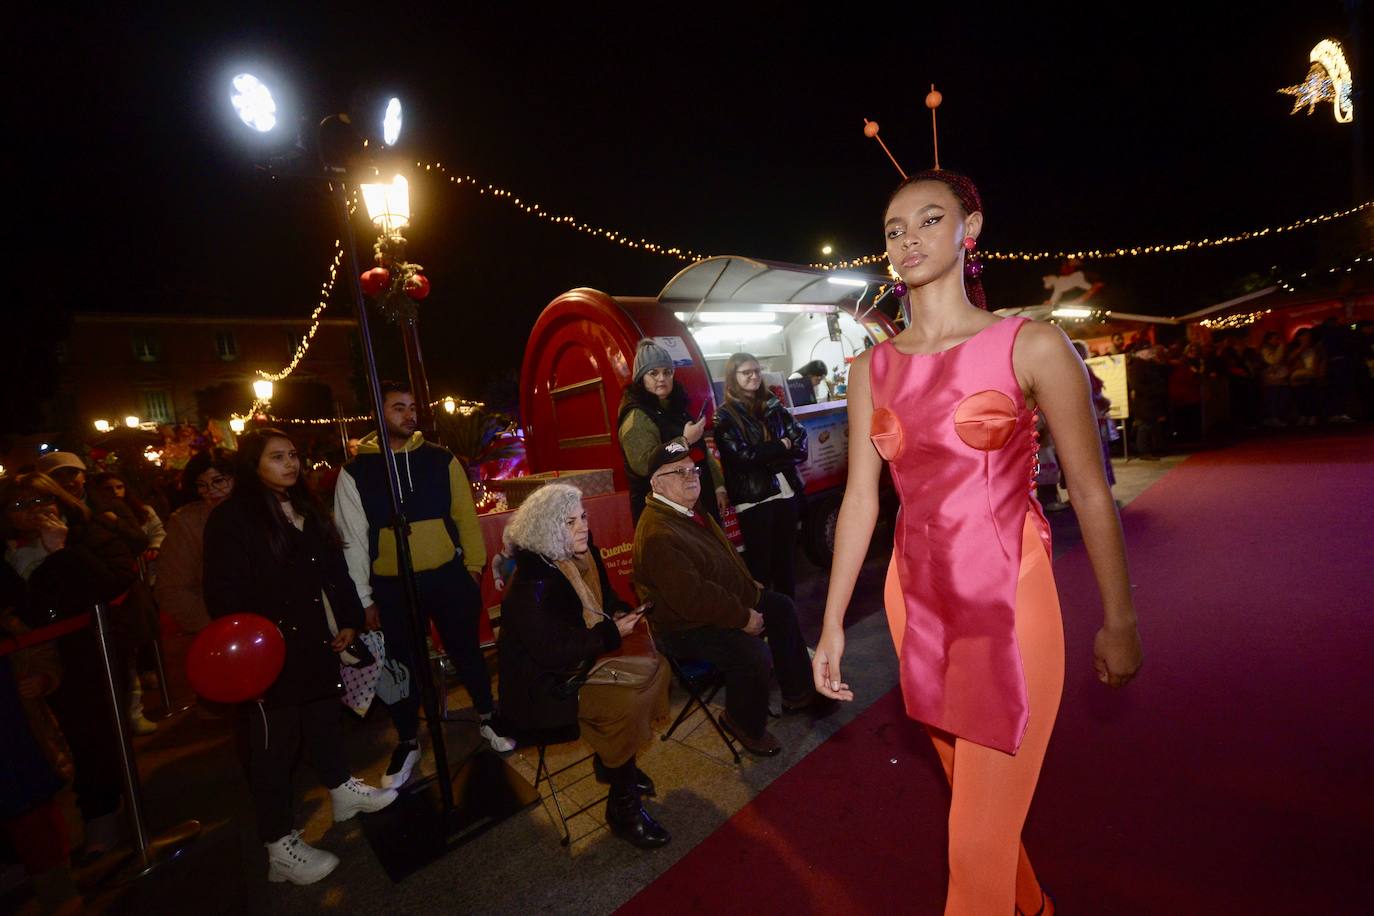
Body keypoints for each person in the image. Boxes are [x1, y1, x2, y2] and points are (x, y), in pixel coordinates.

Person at [813, 170, 1142, 916]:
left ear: (972, 228)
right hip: (915, 607)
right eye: (895, 229)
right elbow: (862, 500)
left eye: (930, 220)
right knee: (974, 799)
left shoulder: (1033, 346)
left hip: (1009, 602)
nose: (910, 239)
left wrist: (1120, 620)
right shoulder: (870, 368)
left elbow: (1090, 491)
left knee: (973, 846)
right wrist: (831, 623)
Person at [203, 430, 396, 886]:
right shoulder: (233, 519)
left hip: (317, 642)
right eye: (277, 457)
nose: (290, 463)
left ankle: (342, 790)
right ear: (252, 465)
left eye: (292, 455)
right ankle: (278, 846)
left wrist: (348, 620)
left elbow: (334, 571)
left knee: (325, 721)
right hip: (269, 653)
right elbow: (224, 594)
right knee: (275, 748)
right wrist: (259, 645)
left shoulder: (306, 507)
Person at [334, 380, 513, 792]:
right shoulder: (355, 471)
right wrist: (364, 598)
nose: (409, 414)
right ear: (378, 414)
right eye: (398, 407)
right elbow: (352, 539)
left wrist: (472, 568)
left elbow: (465, 517)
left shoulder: (439, 458)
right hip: (392, 584)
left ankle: (488, 716)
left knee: (467, 650)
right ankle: (408, 740)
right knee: (401, 664)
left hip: (447, 575)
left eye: (412, 407)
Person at [497, 483, 671, 848]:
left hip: (581, 660)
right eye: (570, 521)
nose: (583, 527)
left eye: (584, 517)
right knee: (624, 704)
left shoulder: (582, 554)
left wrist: (619, 612)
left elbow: (604, 598)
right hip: (547, 687)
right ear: (545, 528)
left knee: (660, 668)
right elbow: (552, 652)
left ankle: (615, 761)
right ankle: (623, 805)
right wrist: (610, 633)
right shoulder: (530, 583)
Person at [633, 439, 824, 757]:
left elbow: (722, 560)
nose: (691, 476)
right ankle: (742, 721)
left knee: (780, 607)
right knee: (752, 654)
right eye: (678, 472)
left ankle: (798, 692)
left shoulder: (688, 510)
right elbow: (692, 599)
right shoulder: (658, 534)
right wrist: (742, 617)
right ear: (656, 483)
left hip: (713, 604)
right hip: (683, 627)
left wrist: (749, 586)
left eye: (692, 469)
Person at [0, 472, 138, 861]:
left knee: (94, 736)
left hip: (88, 655)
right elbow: (25, 609)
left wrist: (60, 552)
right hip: (30, 663)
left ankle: (102, 813)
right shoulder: (8, 554)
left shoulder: (87, 534)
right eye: (19, 505)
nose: (31, 512)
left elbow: (112, 583)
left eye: (39, 501)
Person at [714, 352, 809, 598]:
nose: (754, 376)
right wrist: (780, 445)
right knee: (760, 570)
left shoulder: (773, 406)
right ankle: (767, 619)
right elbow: (742, 458)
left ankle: (789, 618)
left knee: (786, 565)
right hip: (754, 499)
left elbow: (801, 443)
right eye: (746, 372)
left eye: (756, 371)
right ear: (733, 377)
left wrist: (768, 453)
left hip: (786, 493)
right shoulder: (724, 416)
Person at [154, 450, 236, 709]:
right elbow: (172, 589)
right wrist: (215, 627)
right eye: (202, 485)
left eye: (218, 481)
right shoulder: (187, 522)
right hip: (222, 631)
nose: (210, 491)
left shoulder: (265, 509)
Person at [617, 339, 728, 524]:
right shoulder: (636, 415)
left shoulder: (677, 407)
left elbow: (701, 451)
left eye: (667, 372)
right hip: (662, 513)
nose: (662, 378)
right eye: (653, 373)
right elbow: (643, 465)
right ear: (641, 377)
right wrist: (684, 441)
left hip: (695, 501)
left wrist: (718, 486)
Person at [35, 452, 149, 556]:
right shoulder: (44, 512)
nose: (67, 480)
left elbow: (140, 542)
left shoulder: (111, 505)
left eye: (72, 473)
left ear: (83, 476)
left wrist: (115, 521)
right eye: (57, 475)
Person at [1260, 330, 1291, 427]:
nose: (1278, 341)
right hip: (1272, 380)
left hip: (1281, 378)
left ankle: (1279, 418)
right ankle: (1273, 418)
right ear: (1269, 340)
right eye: (1275, 339)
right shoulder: (1265, 350)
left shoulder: (1279, 349)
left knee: (1281, 399)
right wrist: (1281, 347)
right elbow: (1273, 360)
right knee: (1273, 399)